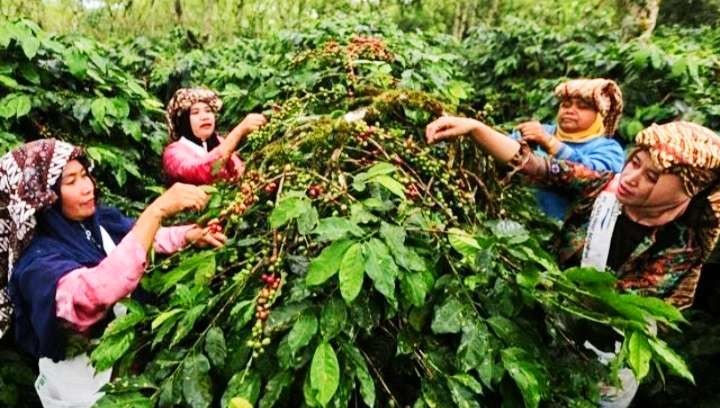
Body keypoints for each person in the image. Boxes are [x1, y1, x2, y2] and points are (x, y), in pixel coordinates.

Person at [426, 117, 720, 406]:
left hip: (610, 363)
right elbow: (540, 167)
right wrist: (475, 128)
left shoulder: (686, 243)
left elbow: (635, 310)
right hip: (549, 327)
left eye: (652, 177)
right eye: (635, 162)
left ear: (686, 191)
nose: (630, 177)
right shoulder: (604, 189)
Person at [0, 139, 226, 407]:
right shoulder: (37, 263)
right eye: (71, 182)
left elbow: (135, 240)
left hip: (124, 375)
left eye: (85, 175)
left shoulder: (95, 223)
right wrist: (157, 211)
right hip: (82, 390)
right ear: (44, 198)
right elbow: (93, 293)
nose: (87, 188)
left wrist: (187, 235)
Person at [510, 78, 625, 220]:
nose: (570, 110)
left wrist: (551, 144)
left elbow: (596, 178)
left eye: (582, 107)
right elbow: (505, 151)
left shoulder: (608, 149)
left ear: (600, 115)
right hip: (517, 221)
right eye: (565, 105)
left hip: (562, 232)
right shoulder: (540, 131)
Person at [162, 87, 267, 185]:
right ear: (184, 121)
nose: (205, 117)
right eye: (195, 112)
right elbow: (201, 171)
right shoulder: (173, 153)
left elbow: (240, 173)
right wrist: (239, 131)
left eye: (208, 111)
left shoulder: (219, 142)